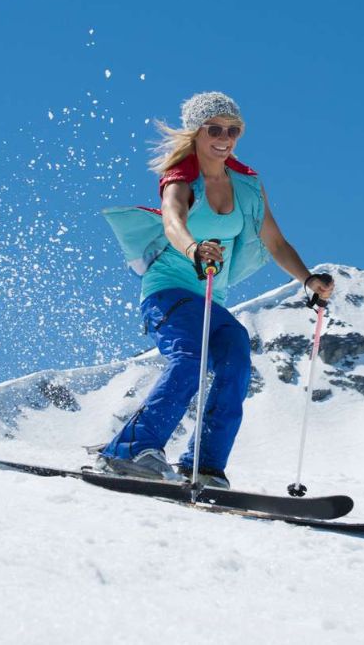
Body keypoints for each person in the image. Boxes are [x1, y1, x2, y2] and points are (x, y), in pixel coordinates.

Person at [99, 92, 334, 488]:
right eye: (214, 129)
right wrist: (193, 248)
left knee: (235, 356)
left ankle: (205, 465)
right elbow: (173, 222)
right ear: (196, 132)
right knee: (191, 357)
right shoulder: (181, 178)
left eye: (233, 130)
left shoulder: (248, 185)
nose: (224, 138)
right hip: (168, 291)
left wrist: (308, 280)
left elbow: (275, 241)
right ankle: (130, 450)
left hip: (210, 298)